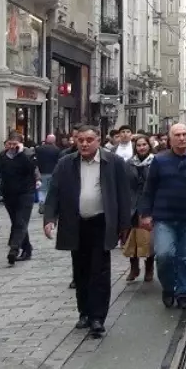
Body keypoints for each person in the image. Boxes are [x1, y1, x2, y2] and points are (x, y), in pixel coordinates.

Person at [43, 125, 132, 338]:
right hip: (76, 222)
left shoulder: (114, 162)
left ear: (98, 140)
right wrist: (49, 218)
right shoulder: (66, 163)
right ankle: (84, 312)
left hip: (102, 222)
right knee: (81, 270)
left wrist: (124, 225)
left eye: (89, 140)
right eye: (80, 140)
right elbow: (54, 192)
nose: (84, 144)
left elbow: (123, 196)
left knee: (100, 271)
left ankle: (97, 317)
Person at [140, 124, 186, 310]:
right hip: (164, 217)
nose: (181, 138)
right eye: (177, 135)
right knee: (164, 255)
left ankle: (183, 292)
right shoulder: (159, 160)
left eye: (184, 134)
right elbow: (149, 189)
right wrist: (146, 214)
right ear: (170, 139)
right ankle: (168, 288)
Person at [0, 131, 37, 265]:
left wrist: (21, 154)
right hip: (9, 194)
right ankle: (27, 249)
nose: (12, 147)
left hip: (26, 193)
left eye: (15, 144)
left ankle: (14, 249)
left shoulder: (28, 155)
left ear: (21, 144)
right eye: (10, 144)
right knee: (17, 222)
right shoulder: (3, 155)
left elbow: (31, 170)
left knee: (21, 221)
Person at [124, 135, 155, 282]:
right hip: (132, 204)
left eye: (144, 145)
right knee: (132, 238)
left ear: (149, 146)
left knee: (148, 238)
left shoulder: (155, 162)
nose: (141, 148)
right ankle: (134, 267)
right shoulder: (129, 163)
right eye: (138, 145)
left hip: (149, 204)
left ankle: (149, 268)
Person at [34, 134, 60, 215]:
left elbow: (35, 160)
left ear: (46, 139)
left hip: (42, 172)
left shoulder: (39, 149)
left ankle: (42, 203)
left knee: (42, 189)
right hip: (53, 172)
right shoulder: (57, 149)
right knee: (51, 190)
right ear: (54, 141)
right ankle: (50, 206)